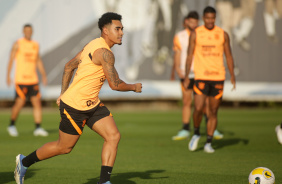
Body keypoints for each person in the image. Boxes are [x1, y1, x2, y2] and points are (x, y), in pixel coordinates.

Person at [14, 12, 142, 184]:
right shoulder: (105, 53)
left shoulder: (92, 44)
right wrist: (134, 87)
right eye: (117, 29)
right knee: (64, 147)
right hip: (75, 106)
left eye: (122, 29)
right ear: (105, 30)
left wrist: (62, 93)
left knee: (113, 136)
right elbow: (115, 84)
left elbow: (68, 67)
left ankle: (104, 181)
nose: (121, 32)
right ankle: (24, 162)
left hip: (92, 104)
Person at [184, 6, 236, 153]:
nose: (210, 21)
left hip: (218, 77)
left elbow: (229, 56)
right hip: (201, 76)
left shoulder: (223, 34)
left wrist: (232, 75)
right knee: (199, 108)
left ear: (215, 18)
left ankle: (208, 142)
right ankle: (195, 133)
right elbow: (189, 56)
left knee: (213, 111)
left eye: (212, 18)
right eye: (207, 18)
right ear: (203, 18)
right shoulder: (196, 33)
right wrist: (187, 76)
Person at [171, 11, 223, 141]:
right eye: (191, 21)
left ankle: (212, 128)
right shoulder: (180, 36)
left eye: (196, 21)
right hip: (186, 73)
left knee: (205, 104)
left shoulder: (202, 34)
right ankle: (185, 129)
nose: (194, 24)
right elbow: (177, 54)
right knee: (187, 102)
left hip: (202, 73)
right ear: (186, 21)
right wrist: (177, 68)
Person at [6, 24, 48, 137]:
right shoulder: (18, 44)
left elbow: (38, 61)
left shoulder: (35, 45)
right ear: (23, 32)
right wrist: (8, 75)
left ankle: (38, 128)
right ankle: (11, 125)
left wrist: (43, 75)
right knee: (20, 102)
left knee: (37, 103)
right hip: (21, 79)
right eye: (26, 31)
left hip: (33, 79)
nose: (28, 32)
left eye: (30, 31)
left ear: (32, 31)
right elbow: (11, 59)